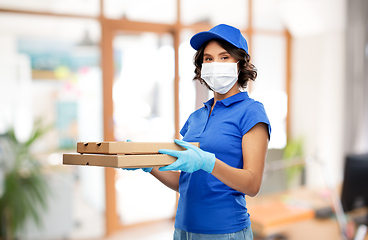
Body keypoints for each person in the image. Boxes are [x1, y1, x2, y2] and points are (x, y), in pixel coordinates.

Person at [124, 24, 271, 240]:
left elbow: (252, 184)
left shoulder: (251, 112)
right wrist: (147, 164)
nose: (215, 64)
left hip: (225, 232)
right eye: (208, 59)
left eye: (224, 57)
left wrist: (208, 163)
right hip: (184, 229)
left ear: (240, 64)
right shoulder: (196, 117)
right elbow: (184, 182)